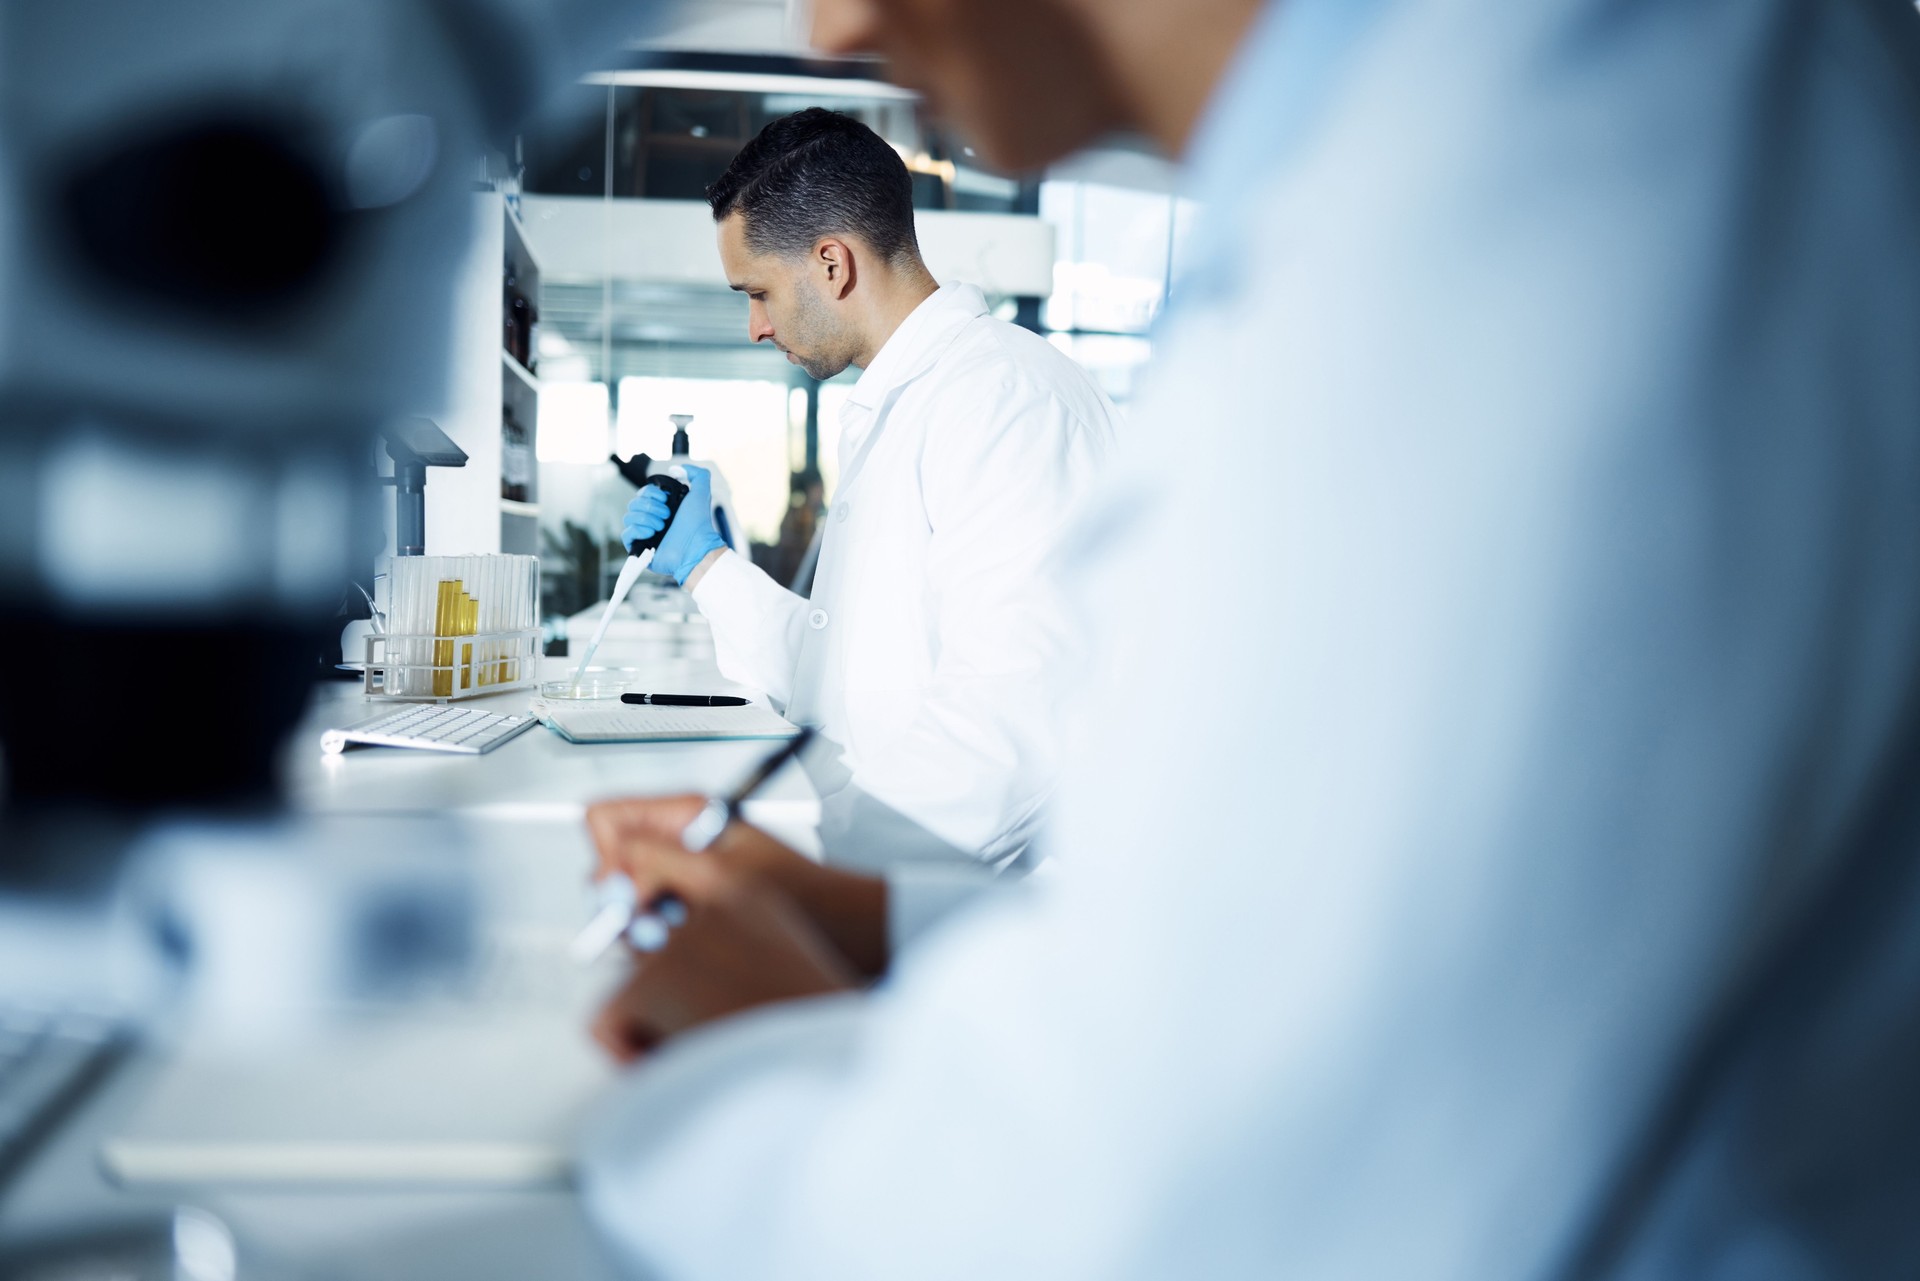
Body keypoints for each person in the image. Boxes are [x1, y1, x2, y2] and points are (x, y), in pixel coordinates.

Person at [582, 0, 1920, 1276]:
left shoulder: (1583, 190)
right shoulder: (1371, 196)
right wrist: (883, 919)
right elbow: (1281, 867)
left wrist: (744, 1056)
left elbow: (1163, 1202)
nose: (834, 29)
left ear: (829, 259)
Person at [616, 107, 1119, 882]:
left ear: (831, 264)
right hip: (893, 884)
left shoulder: (1005, 399)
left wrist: (810, 872)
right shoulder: (904, 403)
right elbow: (842, 678)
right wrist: (706, 565)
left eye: (757, 292)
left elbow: (1010, 727)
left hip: (964, 906)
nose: (753, 326)